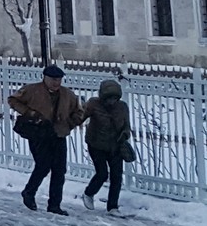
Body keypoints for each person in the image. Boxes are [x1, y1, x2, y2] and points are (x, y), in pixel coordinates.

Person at [7, 65, 84, 214]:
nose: (56, 83)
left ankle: (54, 205)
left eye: (59, 80)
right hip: (39, 134)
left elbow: (79, 112)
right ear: (45, 78)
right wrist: (29, 113)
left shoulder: (67, 94)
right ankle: (29, 192)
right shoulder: (32, 90)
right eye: (53, 79)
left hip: (58, 134)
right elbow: (13, 100)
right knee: (43, 165)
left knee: (59, 170)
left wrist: (70, 123)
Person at [81, 77, 133, 212]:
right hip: (96, 145)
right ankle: (89, 193)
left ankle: (112, 207)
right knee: (102, 173)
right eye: (109, 98)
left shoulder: (122, 107)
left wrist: (125, 134)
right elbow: (80, 117)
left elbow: (127, 126)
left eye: (115, 98)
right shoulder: (93, 104)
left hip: (115, 146)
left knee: (117, 177)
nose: (112, 101)